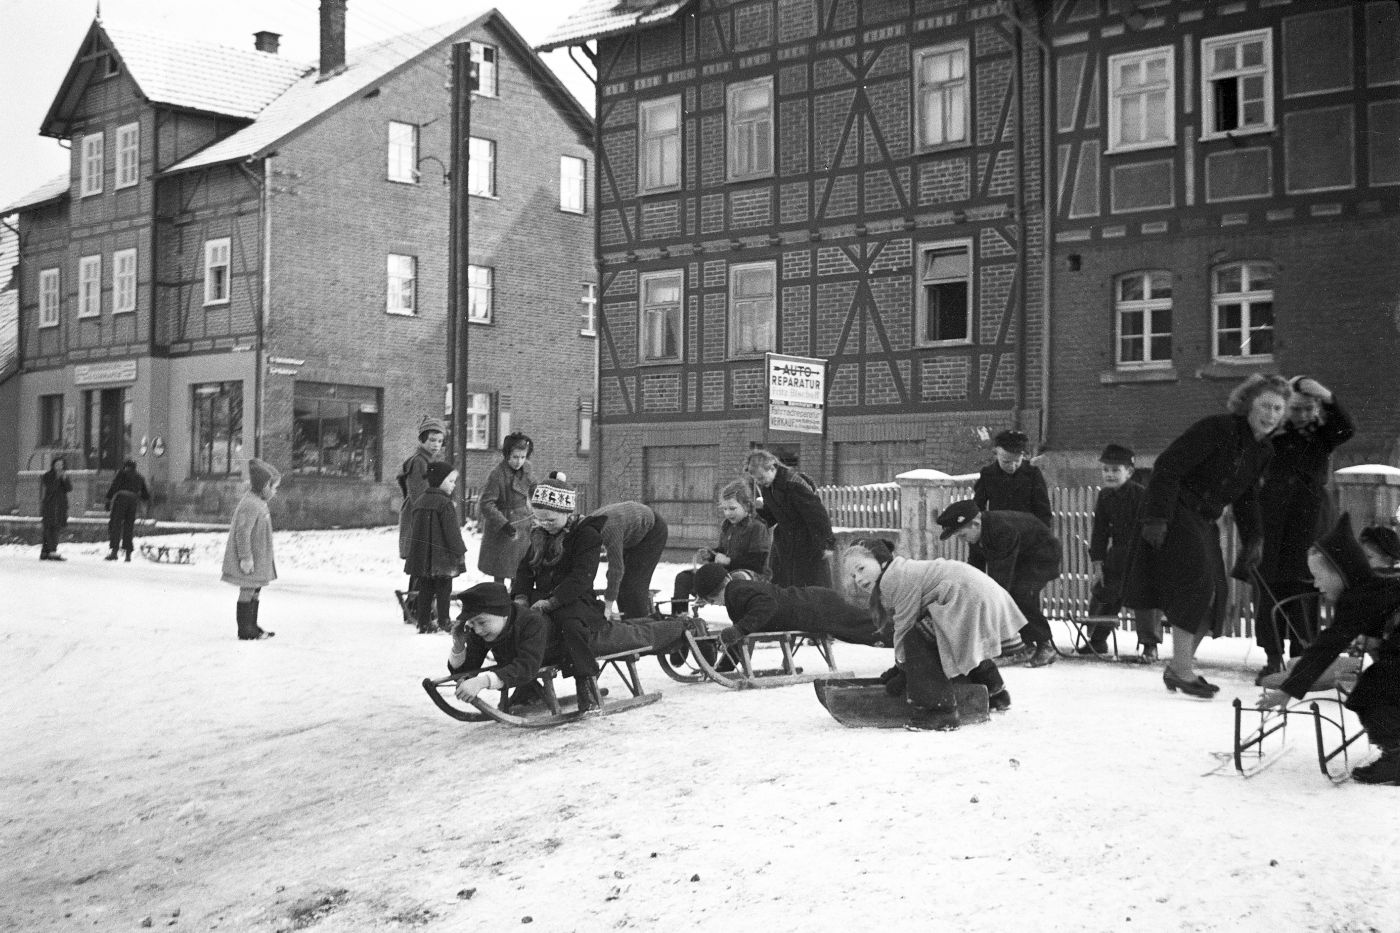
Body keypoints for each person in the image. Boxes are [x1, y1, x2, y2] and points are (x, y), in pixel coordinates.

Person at [1124, 373, 1288, 699]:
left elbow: (1245, 497)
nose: (1271, 415)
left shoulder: (1262, 451)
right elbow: (1167, 467)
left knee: (1217, 594)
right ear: (1247, 405)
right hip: (1177, 508)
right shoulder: (1217, 429)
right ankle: (1183, 672)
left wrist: (1254, 538)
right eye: (1265, 406)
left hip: (1205, 519)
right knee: (1199, 583)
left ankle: (1178, 667)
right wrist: (1157, 518)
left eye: (1278, 409)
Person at [512, 474, 693, 712]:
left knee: (571, 627)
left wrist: (553, 601)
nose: (545, 525)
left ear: (566, 512)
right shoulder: (540, 535)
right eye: (540, 519)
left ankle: (585, 682)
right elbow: (525, 570)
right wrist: (521, 597)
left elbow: (581, 576)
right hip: (543, 599)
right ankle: (525, 684)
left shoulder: (587, 535)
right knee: (514, 622)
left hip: (574, 600)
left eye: (550, 520)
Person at [1259, 514, 1400, 785]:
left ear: (1340, 571)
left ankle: (1396, 756)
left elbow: (1327, 646)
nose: (1315, 585)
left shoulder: (1359, 597)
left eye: (1318, 576)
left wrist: (1289, 688)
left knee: (1371, 693)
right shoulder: (1373, 589)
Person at [845, 538, 1018, 731]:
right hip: (980, 594)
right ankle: (994, 691)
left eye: (861, 569)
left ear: (881, 560)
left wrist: (903, 670)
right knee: (946, 638)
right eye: (853, 576)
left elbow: (904, 625)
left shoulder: (893, 578)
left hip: (970, 597)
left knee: (917, 639)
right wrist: (900, 668)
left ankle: (938, 712)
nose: (858, 579)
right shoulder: (901, 570)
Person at [1252, 376, 1354, 683]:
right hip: (1272, 518)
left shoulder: (1322, 437)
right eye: (1296, 409)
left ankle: (1301, 656)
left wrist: (1326, 393)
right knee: (1269, 585)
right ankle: (1272, 657)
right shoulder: (1271, 436)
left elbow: (1346, 428)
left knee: (1305, 586)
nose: (1303, 415)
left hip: (1308, 520)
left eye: (1309, 408)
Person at [937, 499, 1062, 668]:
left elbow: (1001, 578)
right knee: (1012, 595)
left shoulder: (1002, 530)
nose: (962, 541)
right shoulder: (978, 532)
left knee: (1020, 594)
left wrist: (989, 598)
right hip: (1022, 556)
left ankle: (1044, 645)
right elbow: (975, 569)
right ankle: (1026, 646)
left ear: (975, 523)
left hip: (1042, 555)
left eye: (962, 535)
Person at [689, 560, 881, 656]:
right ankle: (898, 630)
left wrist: (738, 630)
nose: (717, 605)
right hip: (811, 603)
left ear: (716, 593)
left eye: (713, 601)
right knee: (857, 628)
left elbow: (767, 606)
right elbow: (744, 631)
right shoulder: (738, 591)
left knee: (861, 628)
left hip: (814, 607)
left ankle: (902, 633)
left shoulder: (736, 592)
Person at [1086, 444, 1162, 660]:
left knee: (1145, 598)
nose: (1109, 475)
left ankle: (1150, 646)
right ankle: (1097, 640)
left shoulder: (1141, 495)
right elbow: (1100, 531)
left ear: (1129, 472)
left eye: (1115, 470)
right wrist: (1098, 563)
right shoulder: (1105, 497)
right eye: (1106, 470)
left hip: (1142, 554)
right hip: (1117, 555)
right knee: (1105, 594)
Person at [670, 480, 772, 616]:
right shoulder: (728, 527)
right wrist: (712, 555)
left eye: (732, 508)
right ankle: (680, 619)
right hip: (727, 573)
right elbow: (723, 552)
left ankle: (741, 624)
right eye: (724, 509)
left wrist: (729, 561)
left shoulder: (756, 527)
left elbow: (757, 562)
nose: (728, 513)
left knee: (736, 580)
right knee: (684, 578)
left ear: (746, 506)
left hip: (752, 576)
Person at [448, 581, 556, 708]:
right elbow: (467, 671)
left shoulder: (532, 622)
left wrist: (482, 682)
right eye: (472, 623)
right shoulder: (480, 630)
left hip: (551, 654)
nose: (477, 630)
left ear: (503, 614)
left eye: (482, 623)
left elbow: (527, 667)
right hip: (517, 666)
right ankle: (526, 692)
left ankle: (529, 690)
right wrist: (458, 646)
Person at [746, 450, 836, 587]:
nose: (760, 483)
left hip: (806, 544)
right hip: (785, 544)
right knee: (783, 586)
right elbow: (775, 515)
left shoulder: (794, 484)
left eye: (762, 478)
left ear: (772, 468)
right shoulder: (769, 486)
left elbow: (818, 515)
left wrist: (827, 543)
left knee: (809, 588)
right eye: (757, 480)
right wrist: (761, 512)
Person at [404, 462, 468, 635]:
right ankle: (444, 620)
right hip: (442, 559)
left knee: (425, 589)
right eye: (451, 481)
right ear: (440, 481)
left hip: (423, 557)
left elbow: (414, 529)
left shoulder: (420, 501)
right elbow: (452, 532)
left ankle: (423, 622)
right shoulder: (445, 504)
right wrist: (460, 550)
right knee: (444, 589)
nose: (453, 485)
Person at [221, 458, 280, 641]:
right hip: (250, 559)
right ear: (263, 487)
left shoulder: (258, 502)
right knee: (248, 589)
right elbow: (242, 532)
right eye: (272, 486)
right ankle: (245, 629)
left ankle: (252, 625)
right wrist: (245, 558)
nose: (274, 491)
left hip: (258, 557)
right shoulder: (250, 504)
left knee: (254, 589)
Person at [396, 416, 446, 616]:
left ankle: (416, 606)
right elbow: (419, 495)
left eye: (440, 441)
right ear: (422, 440)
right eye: (432, 440)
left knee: (423, 563)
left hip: (427, 515)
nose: (436, 445)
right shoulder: (419, 462)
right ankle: (416, 607)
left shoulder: (430, 461)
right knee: (421, 562)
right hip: (419, 517)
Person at [591, 500, 669, 619]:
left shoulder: (609, 530)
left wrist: (607, 608)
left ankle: (640, 626)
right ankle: (627, 621)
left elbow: (616, 570)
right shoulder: (586, 527)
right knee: (620, 582)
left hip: (652, 530)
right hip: (631, 531)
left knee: (633, 585)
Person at [477, 432, 535, 585]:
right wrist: (503, 524)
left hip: (523, 523)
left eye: (523, 457)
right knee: (501, 571)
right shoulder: (497, 474)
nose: (519, 462)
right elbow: (486, 503)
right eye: (515, 457)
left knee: (520, 570)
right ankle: (499, 601)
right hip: (504, 527)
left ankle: (516, 602)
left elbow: (535, 489)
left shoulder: (527, 469)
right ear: (507, 454)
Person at [972, 429, 1053, 529]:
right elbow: (977, 507)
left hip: (1027, 534)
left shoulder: (1032, 474)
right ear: (996, 454)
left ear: (1022, 456)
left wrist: (1041, 537)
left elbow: (1043, 510)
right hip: (999, 534)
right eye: (1006, 462)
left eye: (1017, 461)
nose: (1012, 466)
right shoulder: (988, 474)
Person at [104, 459, 151, 562]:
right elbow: (145, 495)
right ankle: (128, 554)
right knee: (129, 527)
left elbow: (114, 487)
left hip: (120, 500)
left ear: (125, 466)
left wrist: (108, 500)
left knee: (115, 525)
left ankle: (114, 552)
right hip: (133, 503)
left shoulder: (121, 474)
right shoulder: (139, 477)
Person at [39, 455, 72, 561]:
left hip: (60, 506)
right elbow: (51, 488)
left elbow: (69, 488)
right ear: (53, 465)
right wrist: (58, 478)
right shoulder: (47, 476)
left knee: (55, 528)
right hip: (50, 505)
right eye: (57, 464)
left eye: (61, 465)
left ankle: (45, 552)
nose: (59, 467)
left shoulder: (64, 475)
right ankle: (52, 551)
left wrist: (64, 479)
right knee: (50, 528)